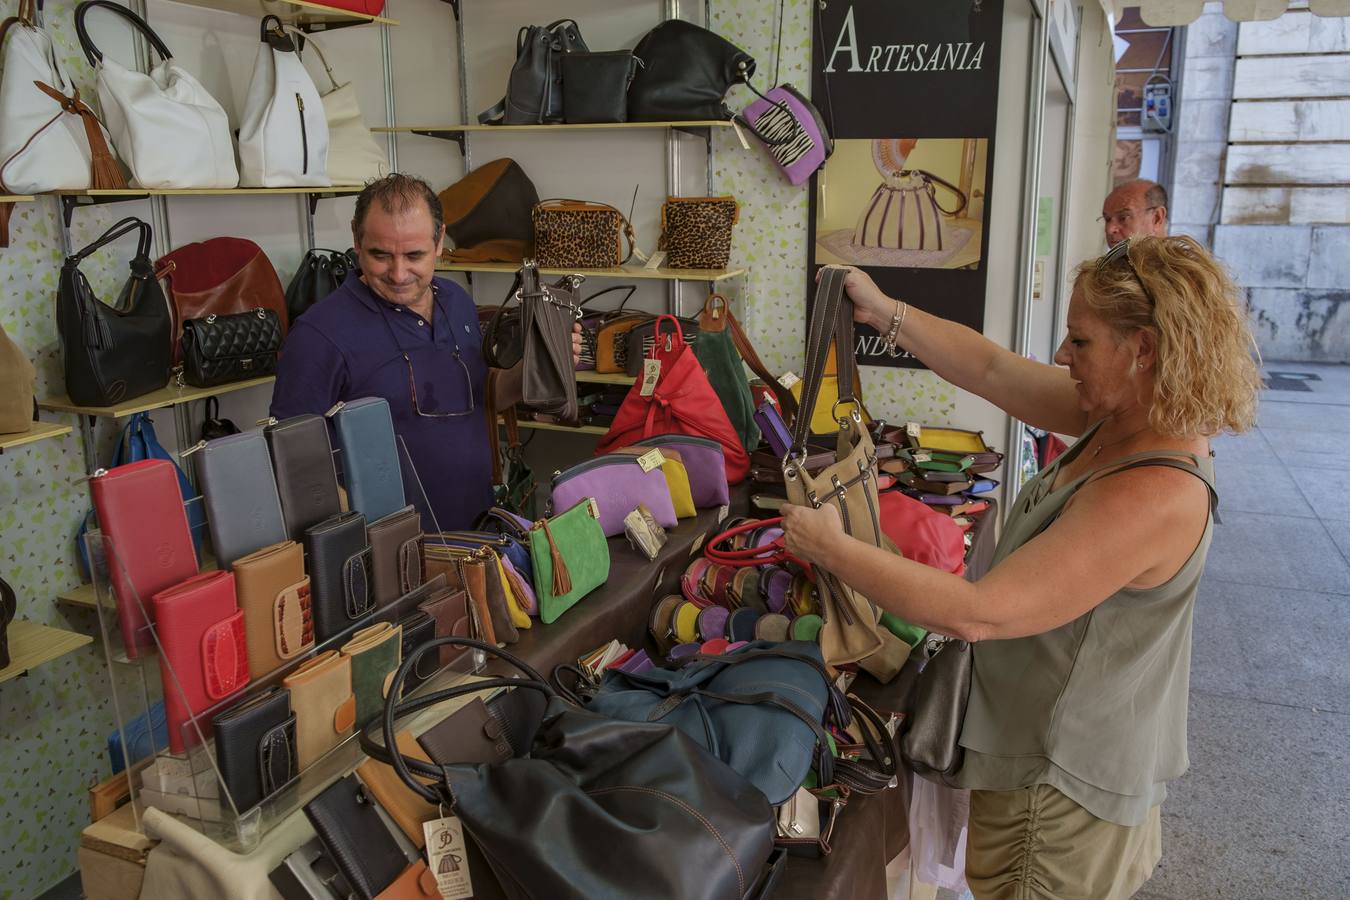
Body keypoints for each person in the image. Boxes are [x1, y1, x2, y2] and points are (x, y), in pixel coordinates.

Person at [782, 237, 1261, 899]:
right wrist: (884, 310)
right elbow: (994, 371)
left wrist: (833, 548)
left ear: (1143, 349)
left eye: (1080, 341)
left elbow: (980, 612)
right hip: (1058, 752)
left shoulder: (1153, 490)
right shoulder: (1126, 417)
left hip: (1060, 792)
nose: (1063, 356)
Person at [271, 174, 581, 532]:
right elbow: (292, 461)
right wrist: (361, 533)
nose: (399, 273)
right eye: (380, 255)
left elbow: (480, 397)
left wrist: (538, 369)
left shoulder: (457, 301)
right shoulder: (318, 335)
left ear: (439, 241)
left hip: (476, 534)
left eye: (414, 255)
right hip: (390, 556)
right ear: (356, 239)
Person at [1101, 179, 1168, 247]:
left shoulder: (1177, 257)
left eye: (1123, 218)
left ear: (1157, 218)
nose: (1109, 230)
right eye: (1107, 219)